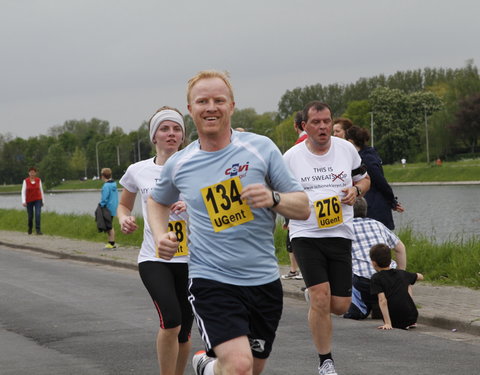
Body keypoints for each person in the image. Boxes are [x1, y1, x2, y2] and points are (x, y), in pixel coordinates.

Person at [147, 70, 310, 375]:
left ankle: (208, 369)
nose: (211, 107)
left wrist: (273, 198)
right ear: (191, 109)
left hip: (263, 281)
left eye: (218, 100)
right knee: (239, 366)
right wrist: (160, 235)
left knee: (250, 369)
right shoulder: (180, 163)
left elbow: (302, 208)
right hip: (211, 279)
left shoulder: (260, 149)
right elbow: (156, 201)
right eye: (202, 101)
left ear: (231, 106)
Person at [283, 101, 371, 375]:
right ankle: (326, 362)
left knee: (340, 305)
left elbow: (365, 178)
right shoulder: (291, 157)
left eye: (326, 122)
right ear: (304, 126)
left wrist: (357, 190)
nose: (322, 127)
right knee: (321, 298)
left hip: (340, 232)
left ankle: (316, 299)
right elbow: (279, 194)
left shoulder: (345, 150)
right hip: (305, 234)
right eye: (316, 122)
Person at [117, 106, 193, 375]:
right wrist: (124, 219)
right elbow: (123, 205)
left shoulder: (197, 166)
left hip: (192, 260)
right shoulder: (138, 170)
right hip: (154, 258)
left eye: (176, 129)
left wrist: (191, 208)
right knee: (171, 321)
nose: (171, 134)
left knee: (184, 331)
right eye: (165, 129)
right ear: (154, 136)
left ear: (183, 136)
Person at [343, 197, 406, 320]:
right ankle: (380, 305)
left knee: (344, 269)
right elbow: (400, 248)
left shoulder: (344, 228)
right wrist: (400, 274)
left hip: (363, 281)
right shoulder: (377, 224)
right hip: (388, 279)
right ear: (365, 210)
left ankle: (359, 308)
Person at [345, 125, 404, 230]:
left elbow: (381, 182)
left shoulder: (366, 159)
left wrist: (392, 202)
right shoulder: (365, 155)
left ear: (350, 142)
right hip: (372, 206)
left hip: (375, 208)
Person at [370, 243, 424, 330]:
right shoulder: (401, 273)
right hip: (412, 316)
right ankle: (411, 321)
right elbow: (420, 276)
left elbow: (382, 300)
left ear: (373, 263)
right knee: (408, 283)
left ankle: (390, 322)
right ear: (390, 261)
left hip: (395, 320)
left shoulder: (376, 278)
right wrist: (417, 276)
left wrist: (387, 323)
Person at [281, 111, 307, 280]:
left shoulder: (296, 148)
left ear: (296, 126)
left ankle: (297, 271)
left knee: (295, 238)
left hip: (300, 200)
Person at [21, 166, 44, 235]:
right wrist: (23, 201)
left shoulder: (38, 180)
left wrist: (43, 201)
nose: (32, 174)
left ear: (35, 173)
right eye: (31, 172)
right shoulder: (25, 181)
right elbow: (23, 191)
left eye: (33, 172)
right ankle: (30, 228)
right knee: (30, 216)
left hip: (38, 199)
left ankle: (38, 230)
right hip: (29, 200)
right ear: (29, 173)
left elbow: (41, 190)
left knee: (38, 214)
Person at [99, 167, 118, 249]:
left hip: (107, 208)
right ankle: (111, 242)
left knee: (109, 226)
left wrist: (101, 205)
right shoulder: (114, 184)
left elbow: (104, 198)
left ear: (103, 176)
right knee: (109, 224)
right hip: (113, 207)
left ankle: (111, 243)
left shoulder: (106, 186)